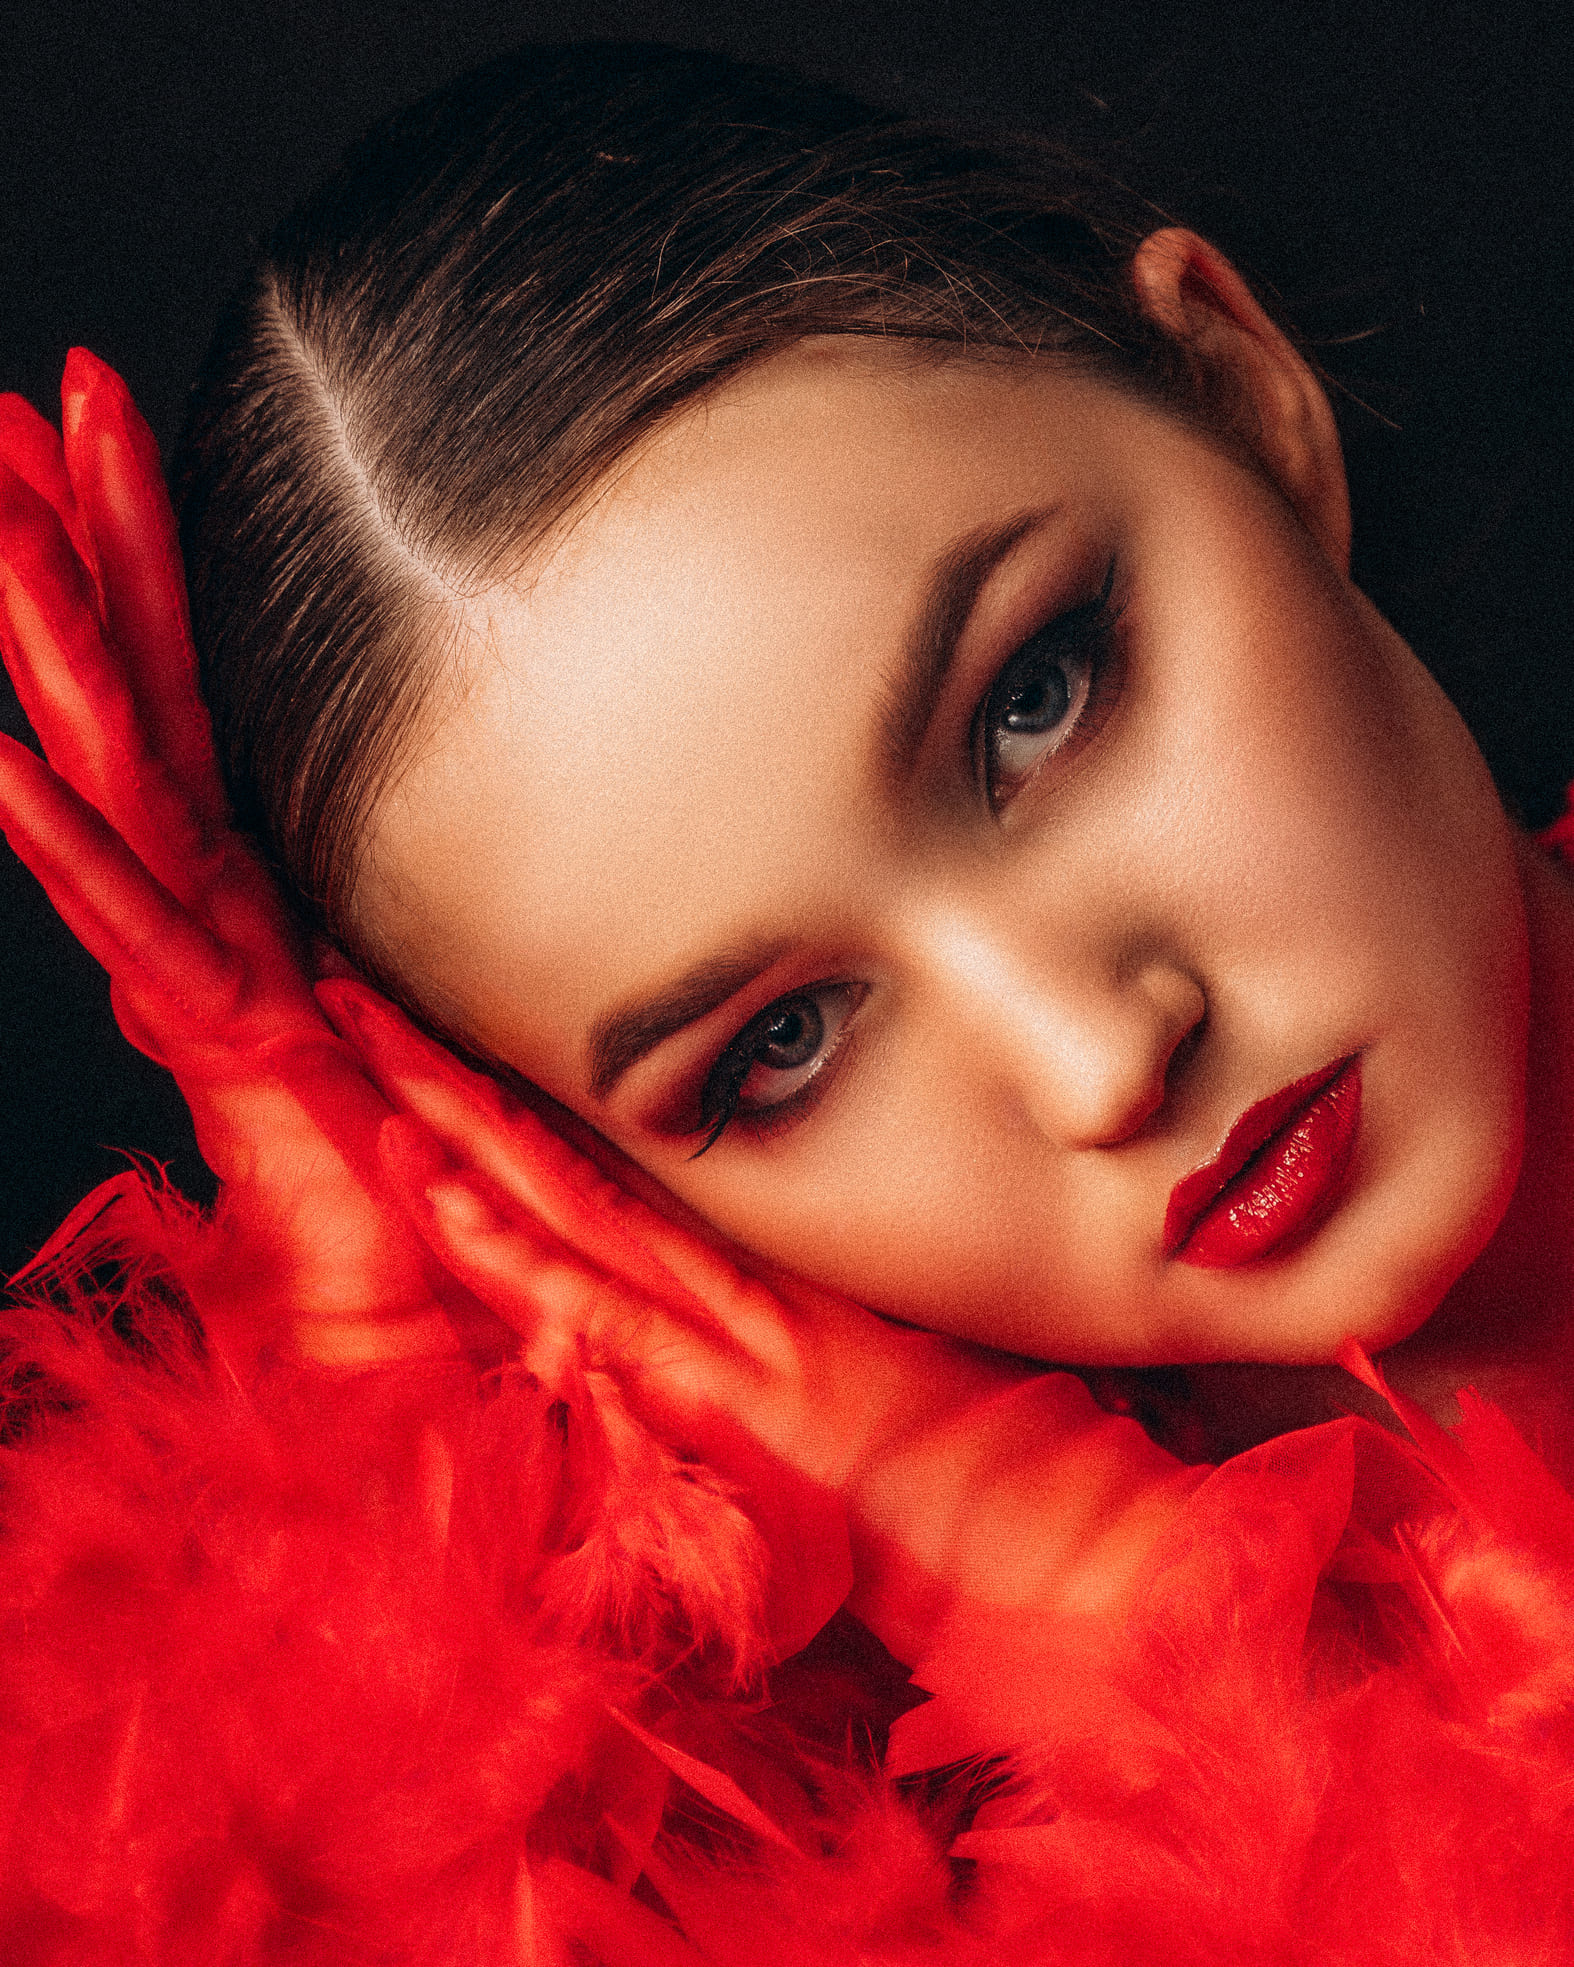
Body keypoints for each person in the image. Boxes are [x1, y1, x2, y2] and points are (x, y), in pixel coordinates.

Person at [1, 41, 1571, 1964]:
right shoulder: (836, 1838)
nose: (1098, 1058)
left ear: (1242, 402)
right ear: (598, 1180)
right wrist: (367, 1508)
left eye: (1035, 700)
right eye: (779, 1047)